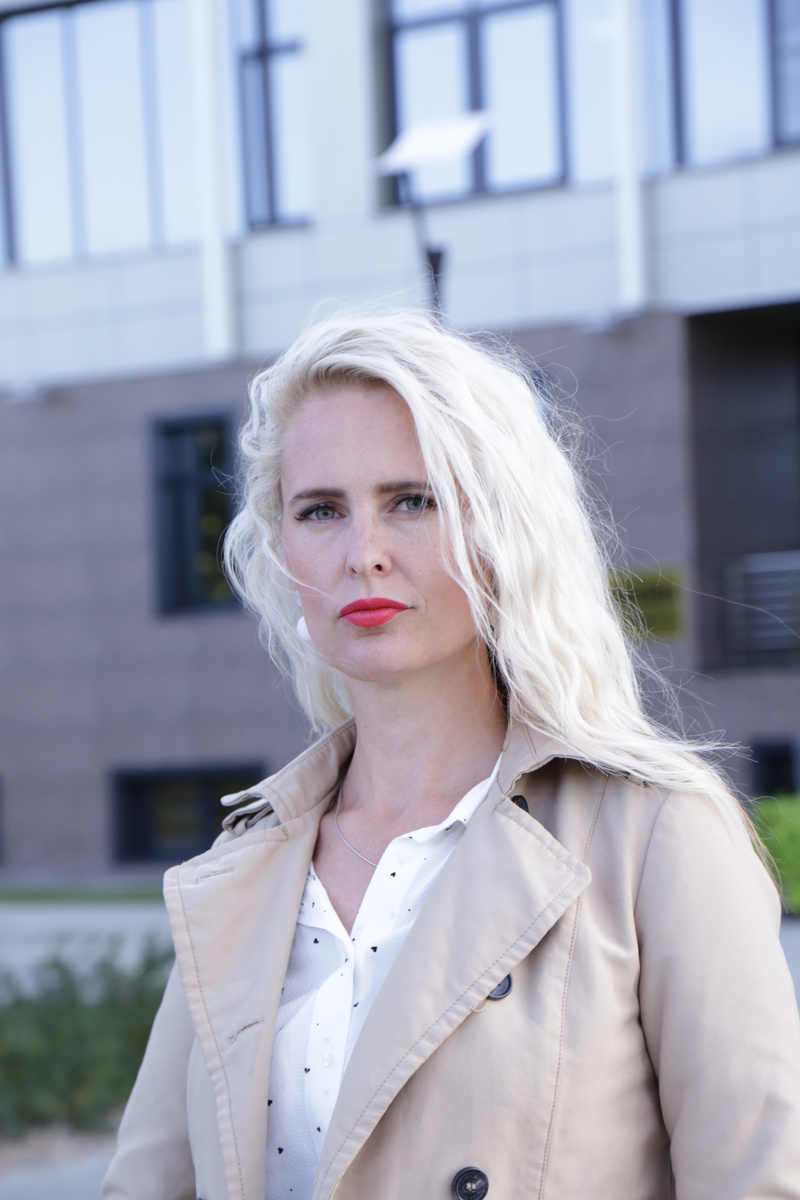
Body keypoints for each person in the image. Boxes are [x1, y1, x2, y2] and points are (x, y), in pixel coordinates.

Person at [102, 310, 800, 1200]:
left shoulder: (657, 834)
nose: (364, 555)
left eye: (413, 501)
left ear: (501, 530)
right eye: (321, 511)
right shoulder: (247, 862)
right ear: (283, 551)